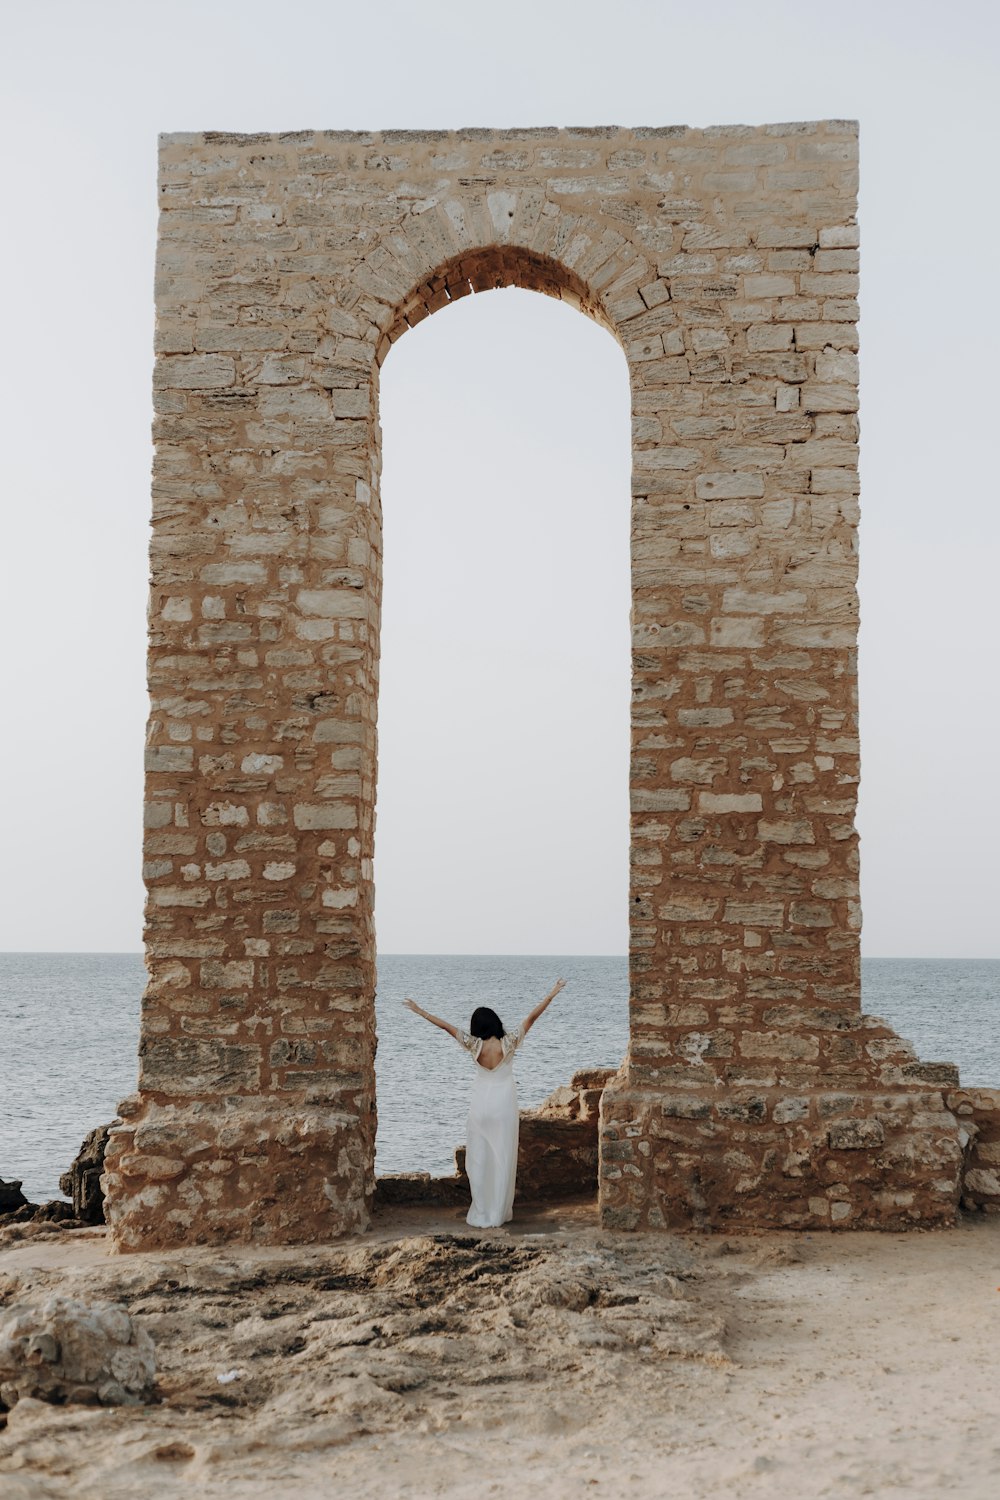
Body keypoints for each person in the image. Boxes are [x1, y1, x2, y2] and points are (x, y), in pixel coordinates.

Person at [403, 979, 567, 1228]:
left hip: (481, 1106)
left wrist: (420, 1010)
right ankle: (498, 1212)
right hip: (503, 1106)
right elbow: (532, 1017)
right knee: (502, 1157)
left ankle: (482, 1209)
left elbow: (446, 1027)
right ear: (495, 1022)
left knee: (480, 1157)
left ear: (477, 1026)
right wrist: (551, 995)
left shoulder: (474, 1045)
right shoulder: (509, 1043)